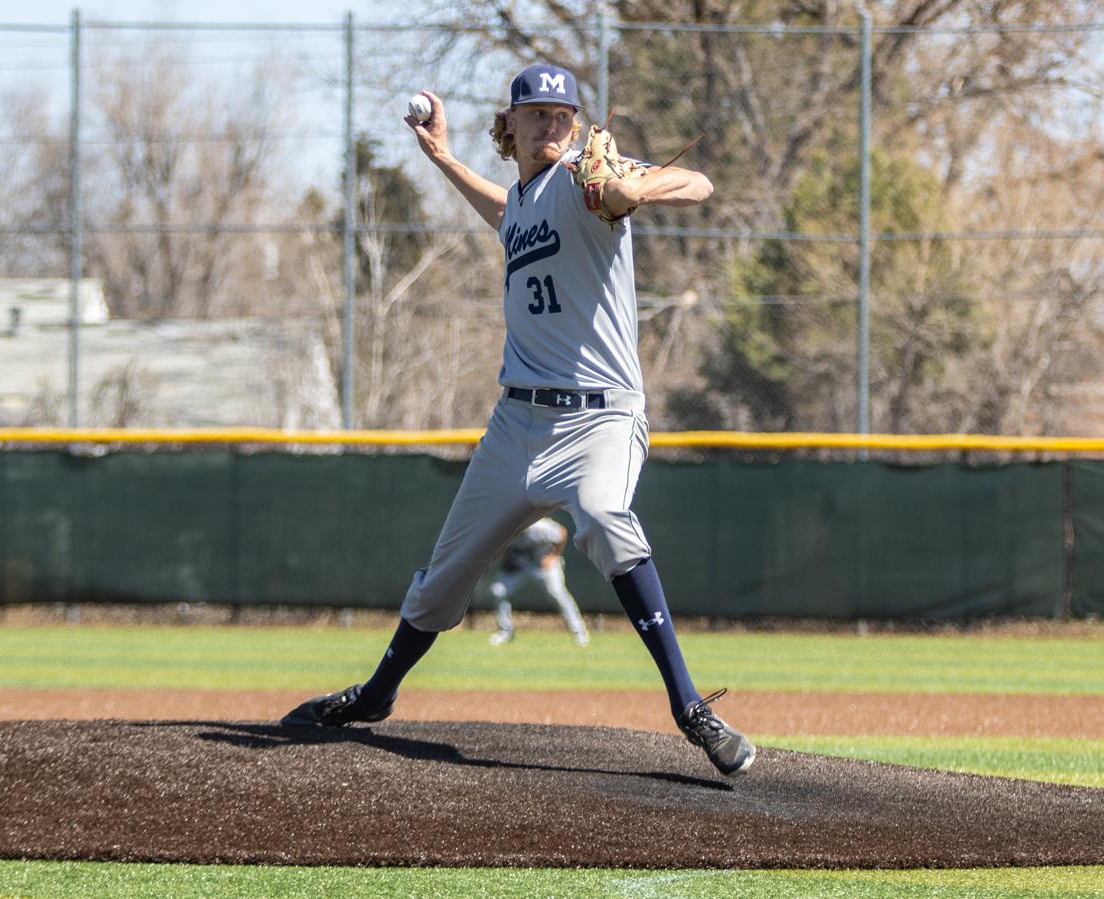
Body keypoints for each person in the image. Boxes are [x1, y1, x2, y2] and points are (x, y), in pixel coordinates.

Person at [281, 63, 755, 777]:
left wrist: (637, 187)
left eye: (563, 114)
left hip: (598, 419)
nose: (552, 125)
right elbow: (504, 211)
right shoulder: (527, 201)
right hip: (514, 426)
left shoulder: (584, 180)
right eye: (535, 113)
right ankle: (377, 694)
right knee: (442, 579)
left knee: (601, 516)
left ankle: (689, 706)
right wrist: (442, 158)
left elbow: (699, 184)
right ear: (511, 124)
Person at [485, 516, 590, 647]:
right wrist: (505, 560)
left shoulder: (540, 527)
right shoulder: (505, 531)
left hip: (543, 565)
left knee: (557, 593)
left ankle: (579, 631)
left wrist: (553, 556)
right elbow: (500, 551)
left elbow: (562, 533)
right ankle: (505, 632)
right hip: (520, 565)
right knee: (498, 591)